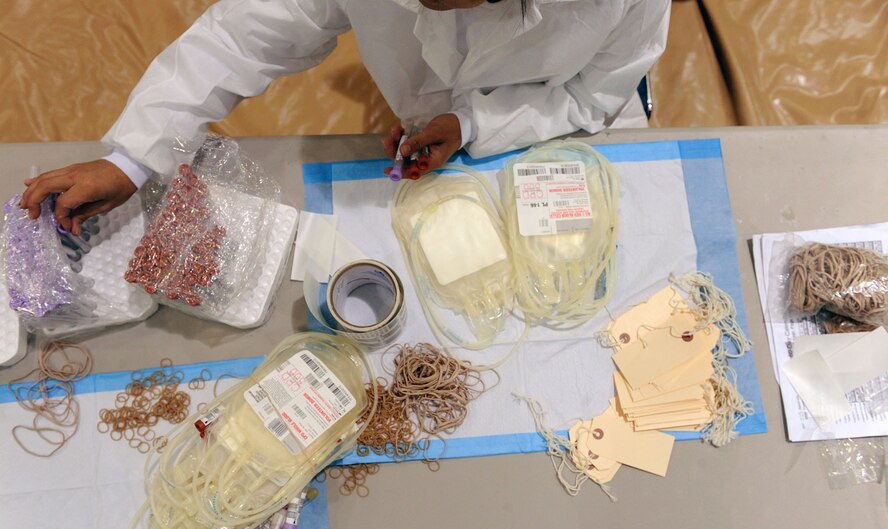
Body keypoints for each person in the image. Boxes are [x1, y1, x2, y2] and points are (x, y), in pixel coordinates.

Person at [20, 0, 669, 235]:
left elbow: (590, 99)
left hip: (573, 125)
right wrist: (132, 155)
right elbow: (242, 35)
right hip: (432, 129)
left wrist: (478, 122)